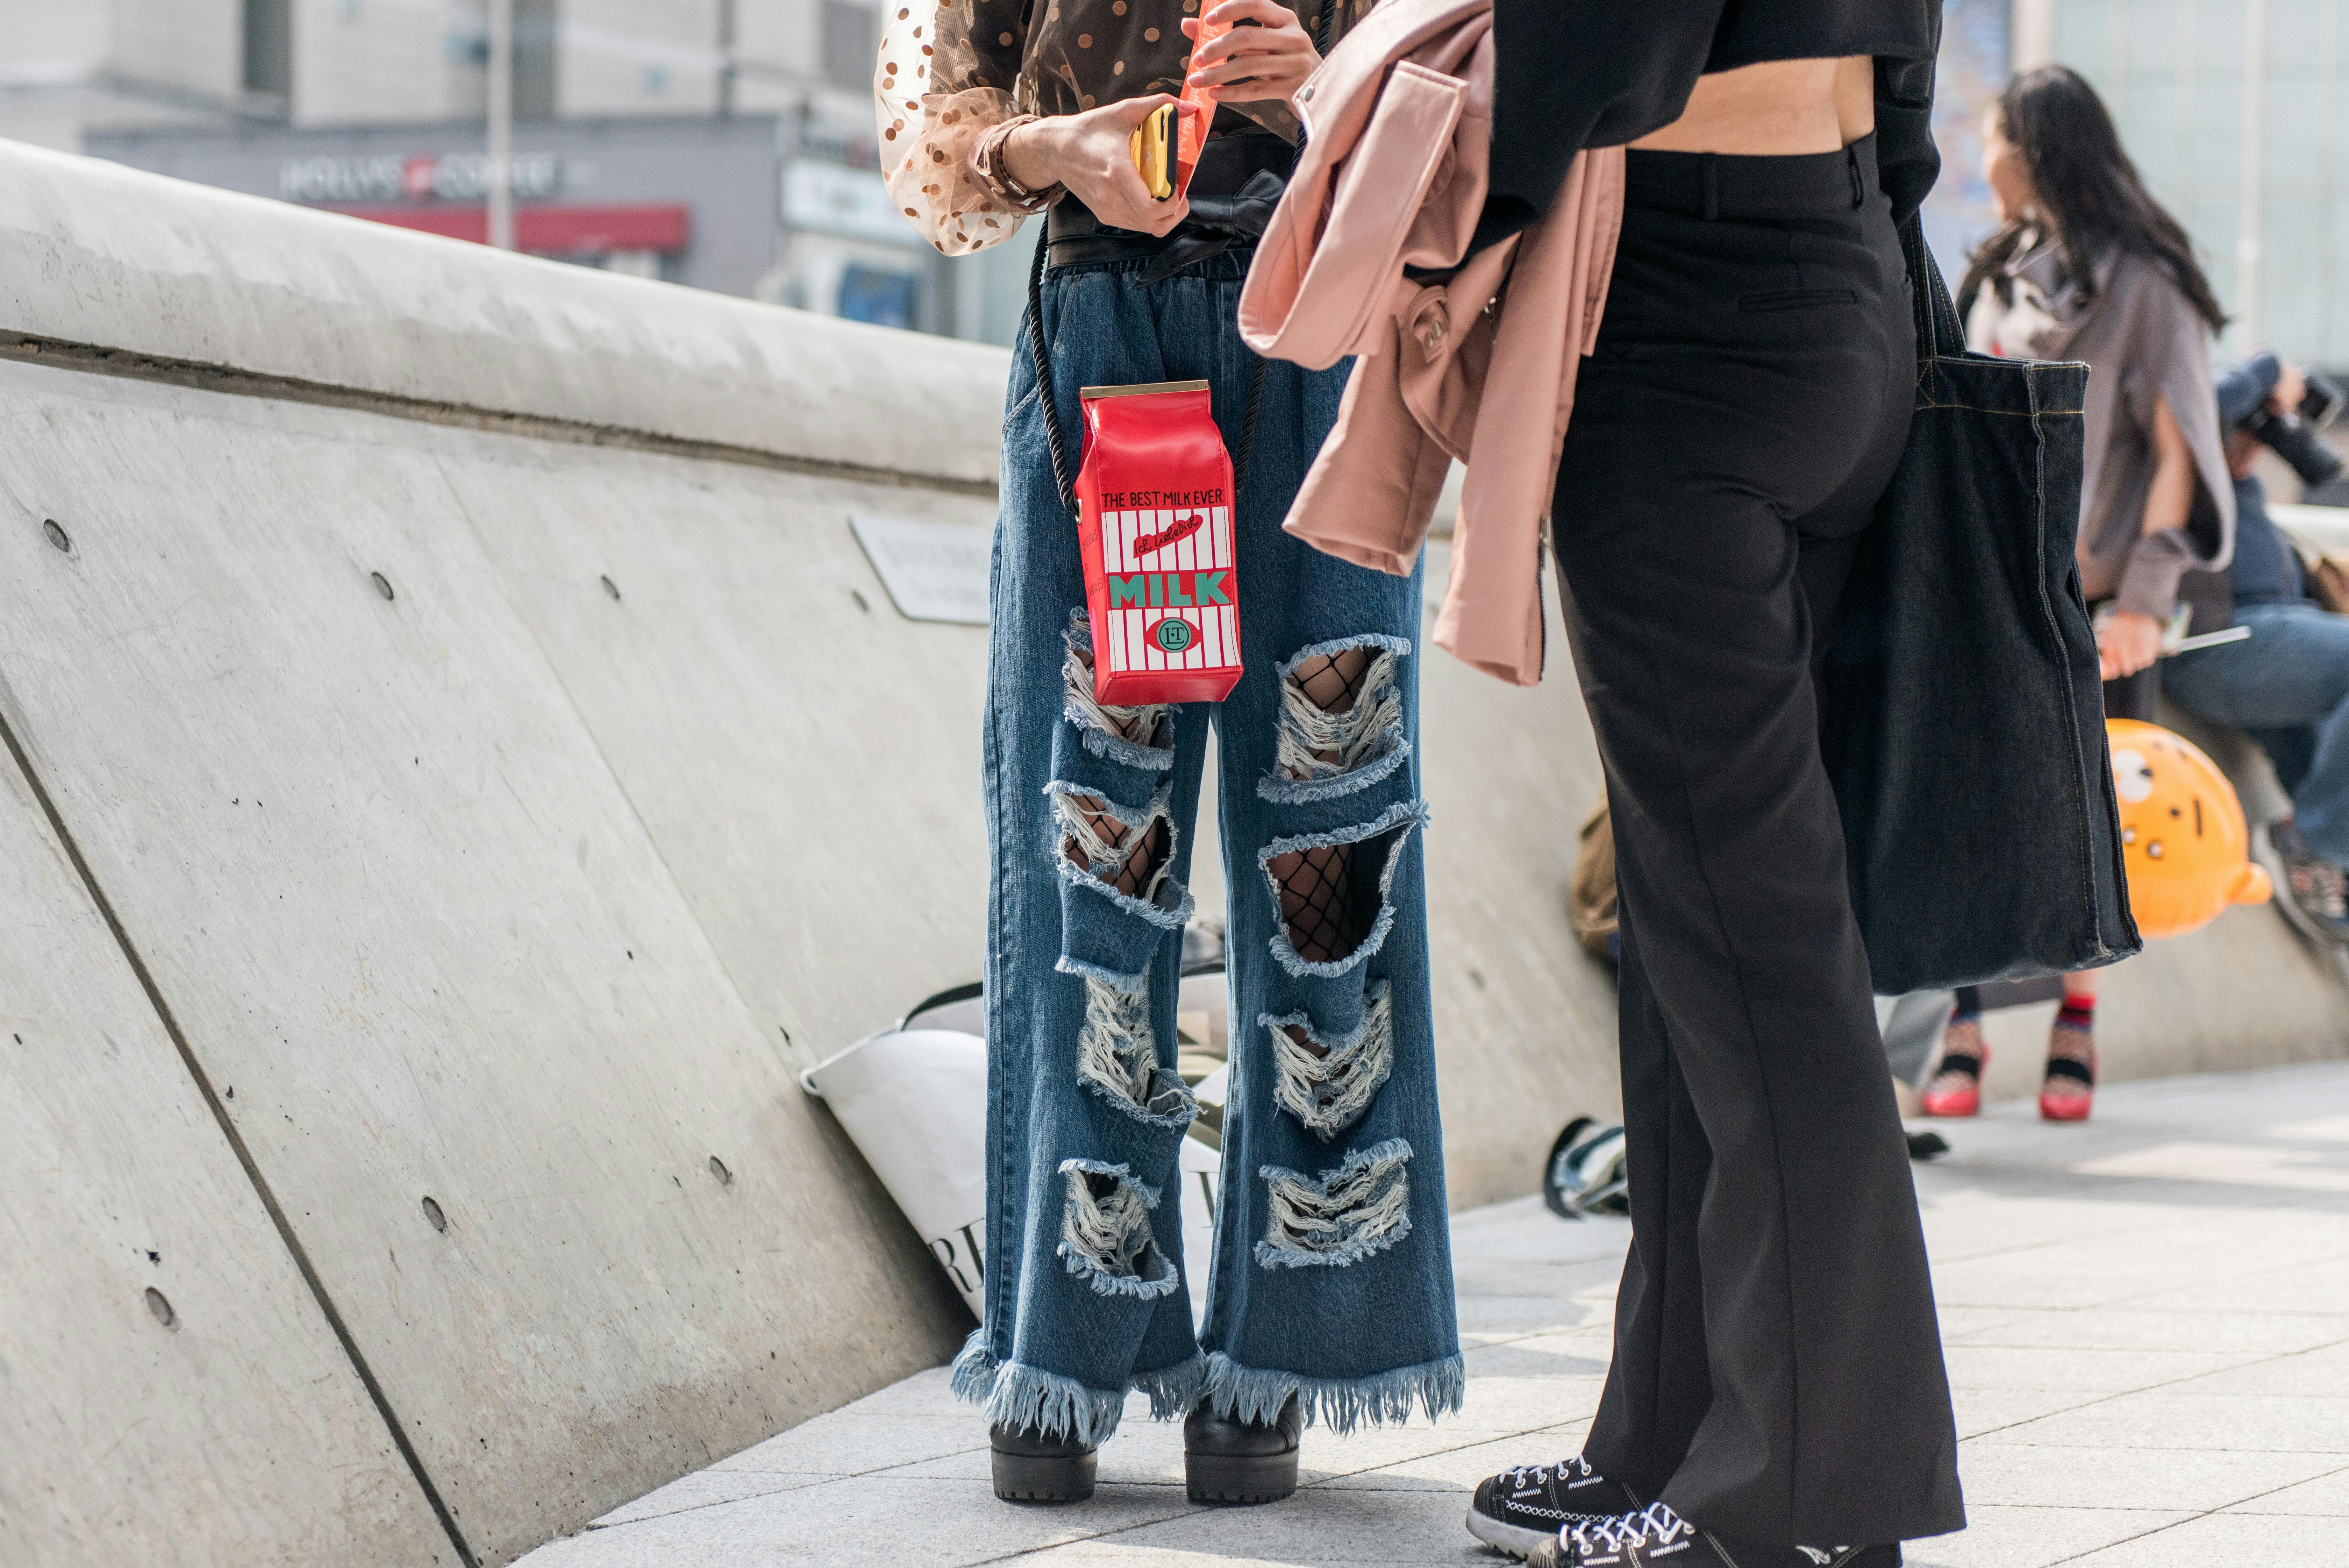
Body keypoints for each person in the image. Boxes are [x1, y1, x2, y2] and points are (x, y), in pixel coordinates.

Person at [875, 0, 1460, 1511]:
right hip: (1101, 338)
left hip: (1322, 333)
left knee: (1330, 841)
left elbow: (1481, 103)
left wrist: (1330, 86)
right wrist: (1053, 145)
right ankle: (1058, 1349)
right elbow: (929, 138)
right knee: (1083, 849)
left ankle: (1285, 1342)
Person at [1459, 8, 1964, 1566]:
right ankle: (1671, 1432)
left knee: (1750, 949)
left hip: (1688, 305)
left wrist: (1447, 225)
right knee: (1702, 928)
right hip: (1844, 267)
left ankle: (1797, 1495)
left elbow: (1597, 38)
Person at [1933, 65, 2236, 1123]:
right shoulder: (1997, 270)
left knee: (2091, 821)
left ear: (2030, 148)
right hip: (1988, 585)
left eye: (1991, 141)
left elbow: (2175, 449)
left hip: (2100, 607)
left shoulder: (2148, 286)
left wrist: (2145, 599)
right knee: (1963, 807)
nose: (1981, 161)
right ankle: (1960, 1021)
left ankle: (2075, 1020)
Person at [2162, 352, 2349, 944]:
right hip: (2215, 641)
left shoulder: (2242, 489)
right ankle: (2312, 843)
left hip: (2267, 645)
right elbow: (2194, 409)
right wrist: (2270, 371)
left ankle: (2324, 851)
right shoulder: (2169, 463)